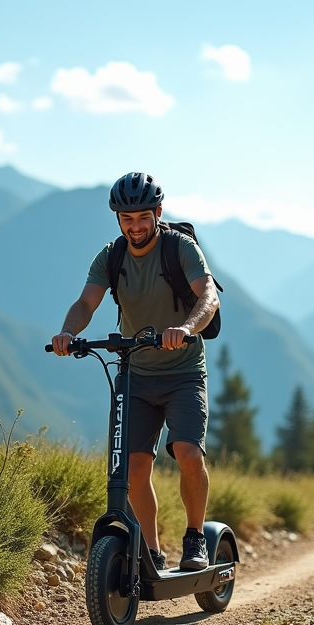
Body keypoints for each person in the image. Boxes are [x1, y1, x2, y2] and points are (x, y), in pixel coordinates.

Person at [51, 172, 220, 572]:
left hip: (183, 371)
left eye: (143, 217)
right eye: (127, 219)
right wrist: (67, 332)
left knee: (187, 452)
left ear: (158, 213)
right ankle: (151, 551)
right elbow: (86, 303)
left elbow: (208, 296)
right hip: (137, 374)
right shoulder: (111, 257)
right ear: (118, 220)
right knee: (132, 466)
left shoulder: (180, 249)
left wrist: (186, 328)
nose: (136, 226)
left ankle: (195, 538)